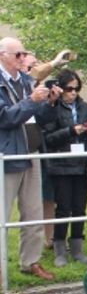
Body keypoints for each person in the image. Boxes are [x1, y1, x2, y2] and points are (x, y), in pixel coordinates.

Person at [0, 37, 60, 280]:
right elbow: (6, 119)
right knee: (2, 215)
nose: (23, 59)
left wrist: (50, 102)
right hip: (7, 154)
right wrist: (31, 101)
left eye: (24, 54)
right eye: (18, 55)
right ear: (2, 55)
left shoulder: (25, 81)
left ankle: (31, 261)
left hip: (31, 151)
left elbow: (40, 118)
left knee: (33, 212)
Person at [40, 69, 87, 266]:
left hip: (82, 164)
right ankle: (59, 250)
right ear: (60, 89)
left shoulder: (84, 107)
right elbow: (48, 139)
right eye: (68, 88)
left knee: (80, 208)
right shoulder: (53, 109)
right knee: (63, 208)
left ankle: (77, 249)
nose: (73, 92)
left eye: (77, 88)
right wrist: (71, 131)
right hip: (61, 163)